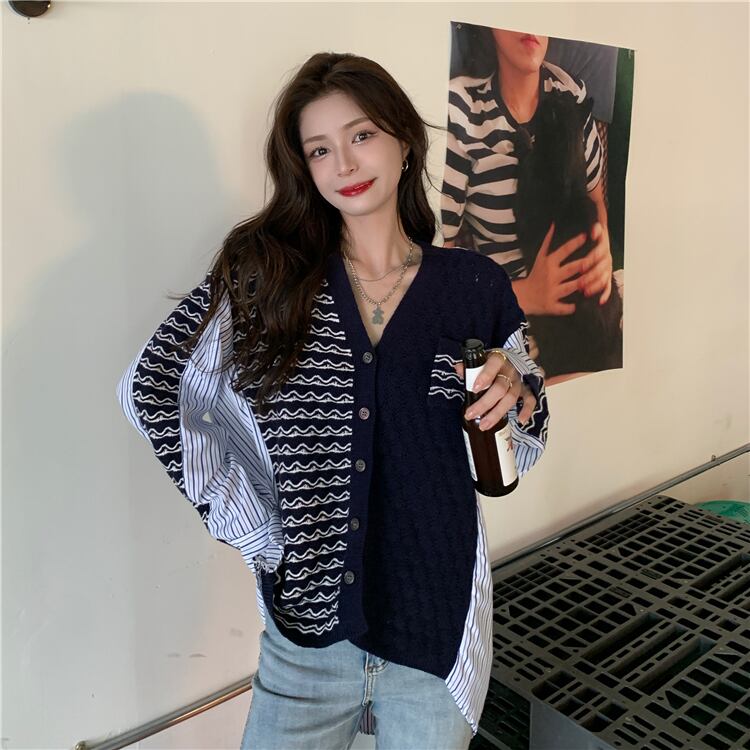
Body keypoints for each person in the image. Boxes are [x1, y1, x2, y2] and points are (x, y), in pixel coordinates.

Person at [117, 51, 549, 750]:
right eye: (320, 149)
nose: (344, 163)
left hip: (435, 635)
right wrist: (252, 524)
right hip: (306, 647)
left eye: (362, 135)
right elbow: (153, 386)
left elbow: (522, 443)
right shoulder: (269, 277)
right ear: (304, 168)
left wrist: (518, 396)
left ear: (403, 140)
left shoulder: (474, 285)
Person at [442, 28, 617, 382]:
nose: (530, 26)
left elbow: (595, 197)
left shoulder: (570, 91)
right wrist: (527, 294)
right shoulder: (462, 110)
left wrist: (604, 255)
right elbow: (433, 266)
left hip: (592, 306)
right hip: (508, 316)